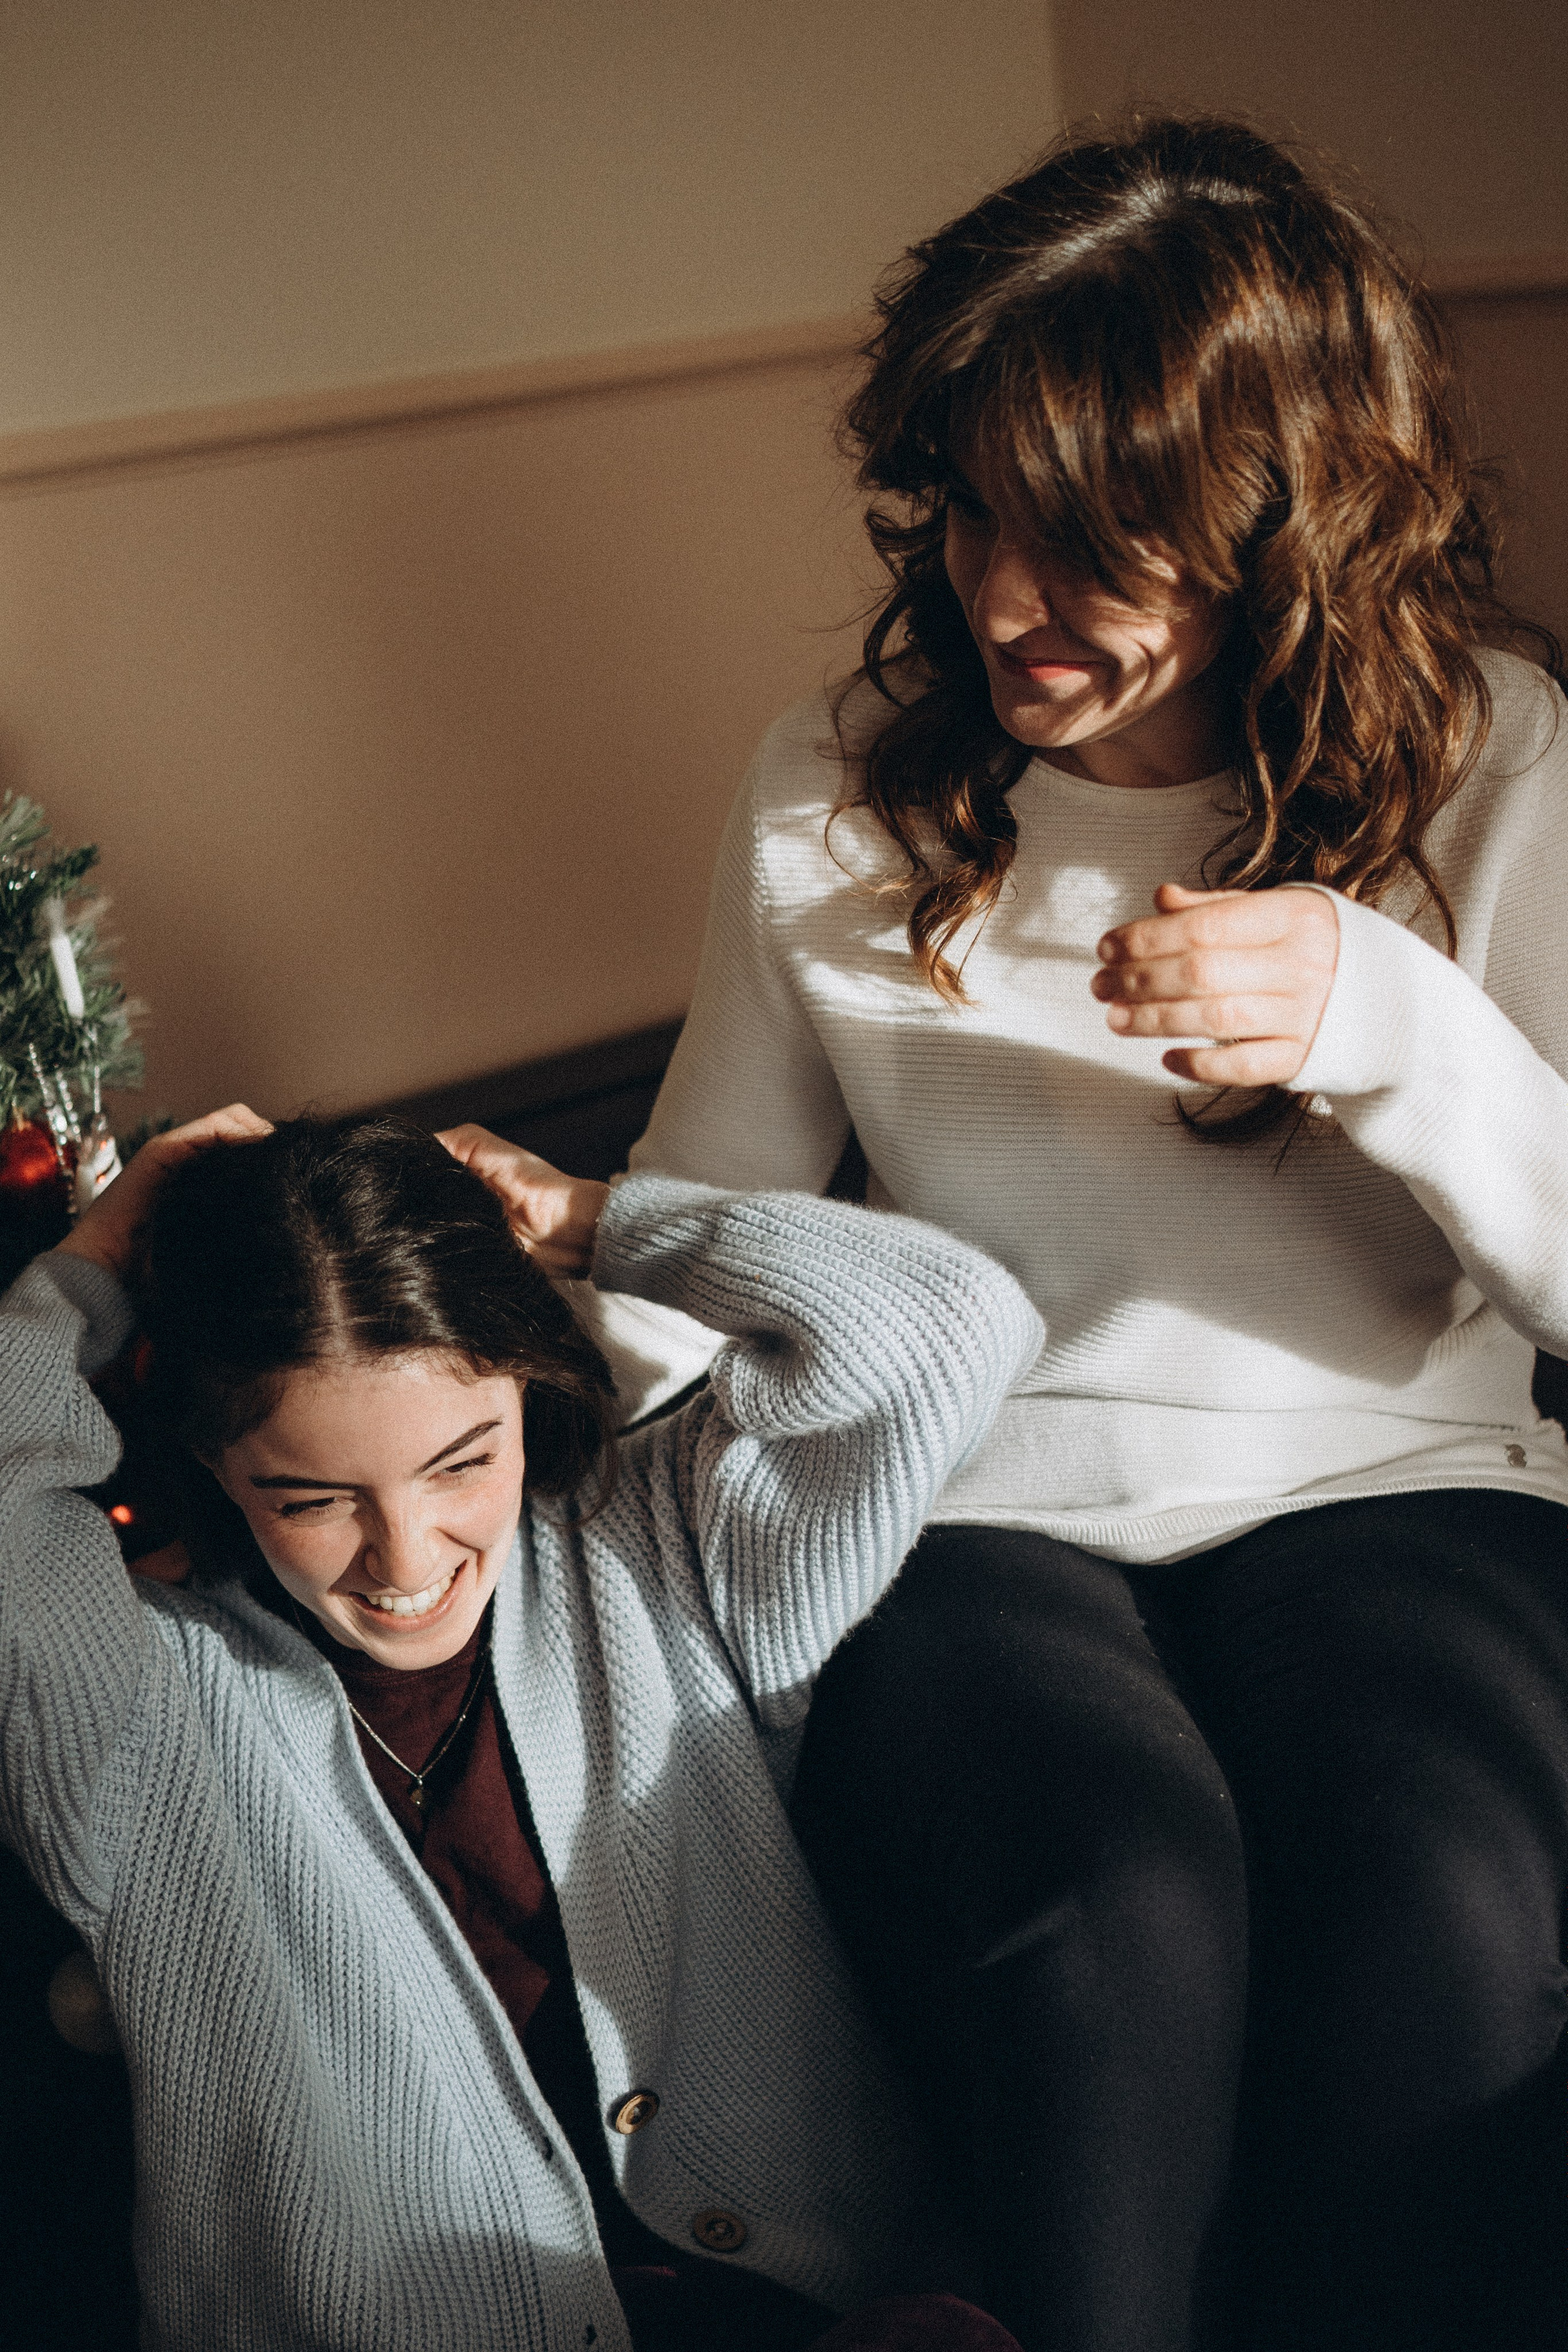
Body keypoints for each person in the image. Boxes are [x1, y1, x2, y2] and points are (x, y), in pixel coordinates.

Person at [580, 115, 1568, 2352]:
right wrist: (489, 1348)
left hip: (1400, 1477)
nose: (999, 598)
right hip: (979, 1498)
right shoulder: (835, 784)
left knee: (1436, 1890)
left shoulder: (1492, 762)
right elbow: (708, 1228)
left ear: (1282, 534)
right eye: (969, 508)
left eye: (1093, 545)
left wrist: (1382, 1017)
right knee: (1102, 1919)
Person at [0, 1104, 1041, 2352]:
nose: (407, 1557)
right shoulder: (129, 1706)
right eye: (316, 1498)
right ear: (217, 1468)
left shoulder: (663, 1553)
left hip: (816, 2313)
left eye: (460, 1463)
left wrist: (581, 1216)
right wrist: (93, 1266)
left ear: (523, 1386)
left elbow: (950, 1329)